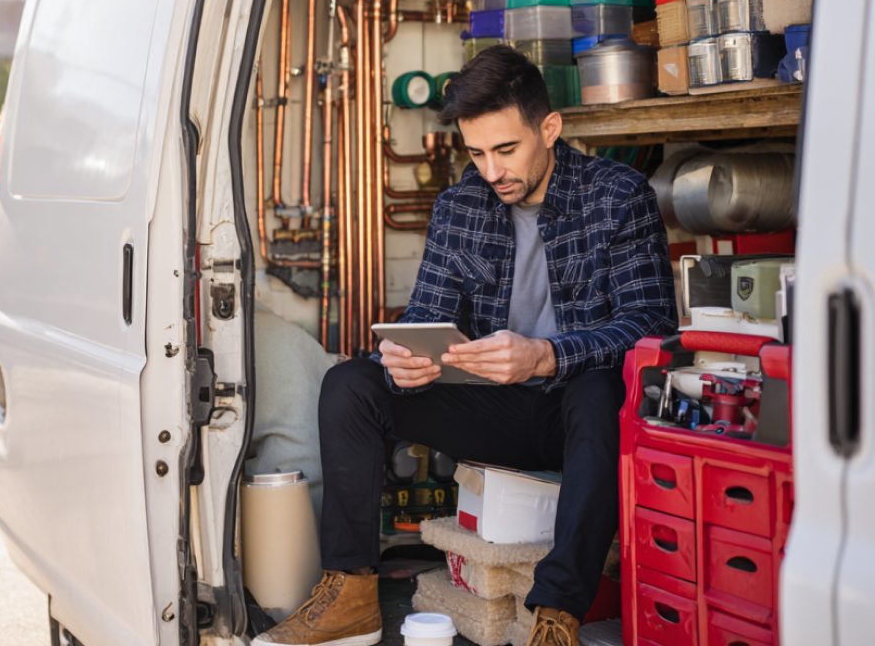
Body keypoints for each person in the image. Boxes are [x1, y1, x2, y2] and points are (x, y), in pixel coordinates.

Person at [255, 45, 678, 646]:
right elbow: (428, 313)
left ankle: (556, 613)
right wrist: (404, 359)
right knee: (351, 382)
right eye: (476, 153)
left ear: (549, 129)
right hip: (495, 410)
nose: (491, 170)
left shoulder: (618, 195)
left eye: (506, 150)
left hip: (581, 418)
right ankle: (350, 592)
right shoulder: (460, 206)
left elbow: (650, 325)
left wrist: (545, 354)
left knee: (596, 387)